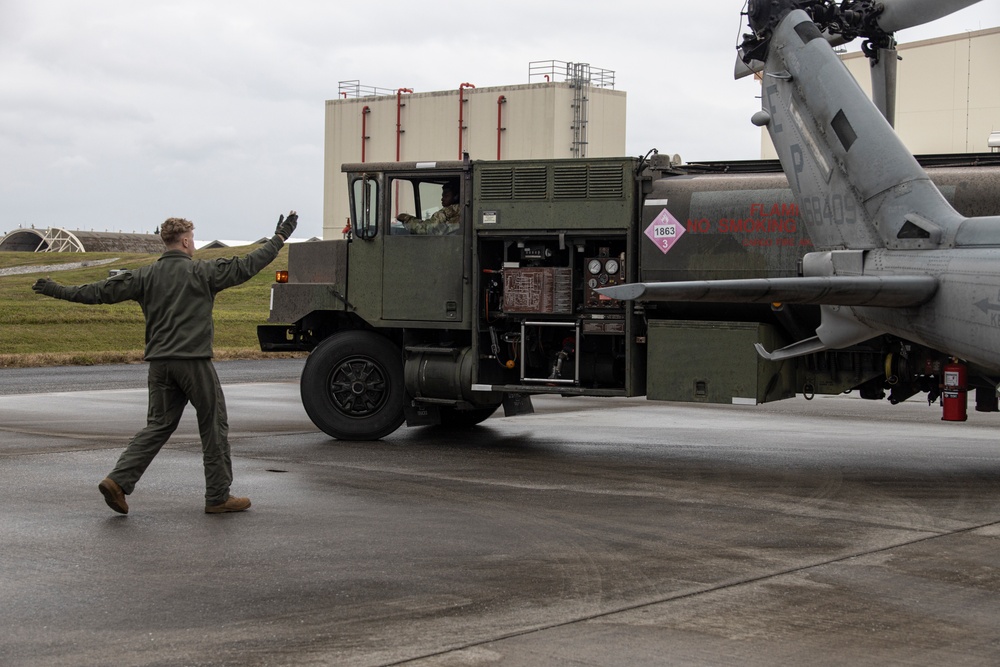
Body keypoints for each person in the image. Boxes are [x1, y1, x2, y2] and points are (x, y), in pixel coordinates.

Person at [32, 211, 298, 515]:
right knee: (213, 425)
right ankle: (218, 496)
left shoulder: (144, 276)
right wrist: (279, 238)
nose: (194, 245)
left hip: (159, 364)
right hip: (194, 362)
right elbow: (248, 265)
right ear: (185, 241)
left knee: (157, 425)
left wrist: (57, 290)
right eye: (193, 240)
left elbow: (97, 293)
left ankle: (117, 481)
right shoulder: (203, 272)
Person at [396, 181, 461, 235]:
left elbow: (426, 229)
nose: (442, 199)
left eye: (446, 196)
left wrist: (406, 219)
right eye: (442, 196)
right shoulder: (464, 210)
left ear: (456, 197)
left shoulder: (449, 211)